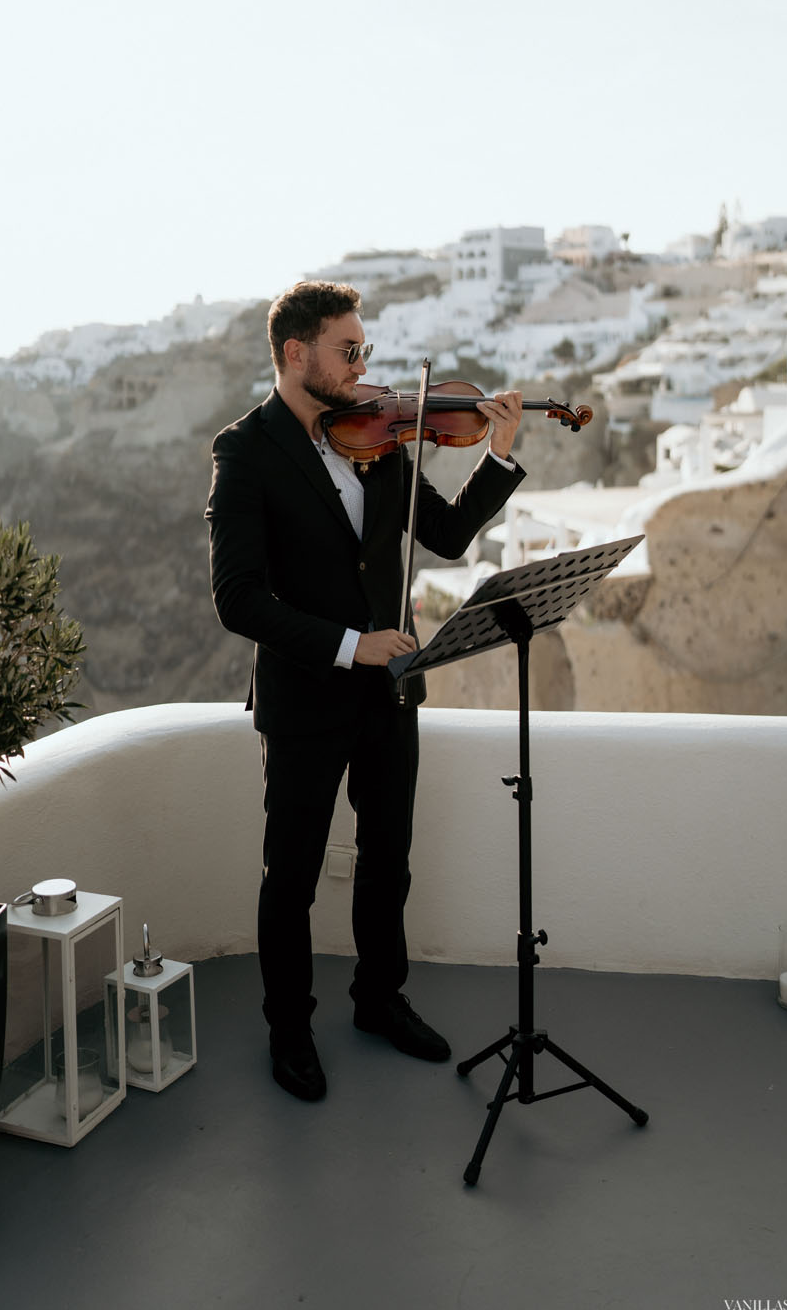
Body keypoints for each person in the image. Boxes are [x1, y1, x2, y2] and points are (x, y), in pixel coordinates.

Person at [205, 280, 524, 1101]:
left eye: (364, 351)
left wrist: (498, 456)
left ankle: (380, 1001)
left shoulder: (379, 435)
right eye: (347, 351)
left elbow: (445, 535)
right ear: (294, 353)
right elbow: (238, 598)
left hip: (391, 697)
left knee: (389, 861)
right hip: (308, 700)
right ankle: (289, 1029)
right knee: (294, 874)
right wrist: (352, 646)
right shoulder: (245, 451)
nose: (361, 366)